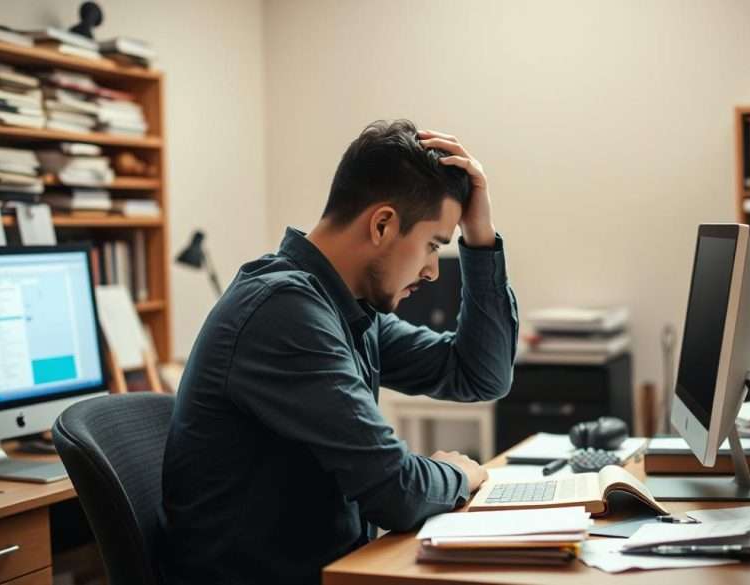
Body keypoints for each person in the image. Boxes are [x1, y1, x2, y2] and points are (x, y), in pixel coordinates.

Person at [162, 120, 517, 585]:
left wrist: (481, 236)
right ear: (383, 224)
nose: (432, 270)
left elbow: (481, 376)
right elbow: (397, 491)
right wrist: (456, 472)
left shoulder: (345, 309)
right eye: (432, 245)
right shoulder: (283, 311)